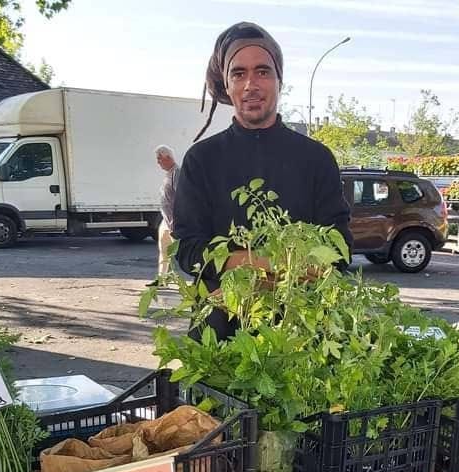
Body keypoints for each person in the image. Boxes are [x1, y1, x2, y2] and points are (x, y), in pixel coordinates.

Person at [173, 21, 353, 340]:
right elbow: (187, 250)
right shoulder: (201, 160)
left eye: (263, 71)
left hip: (298, 336)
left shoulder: (316, 159)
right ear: (226, 85)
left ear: (279, 80)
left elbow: (338, 248)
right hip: (219, 338)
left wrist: (281, 273)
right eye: (238, 73)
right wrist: (262, 263)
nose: (250, 85)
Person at [148, 144, 180, 286]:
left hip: (174, 220)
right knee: (163, 250)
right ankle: (162, 278)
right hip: (165, 219)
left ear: (167, 158)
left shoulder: (176, 173)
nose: (158, 162)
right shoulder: (169, 174)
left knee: (179, 252)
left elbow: (181, 197)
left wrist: (177, 221)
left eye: (159, 159)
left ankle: (196, 279)